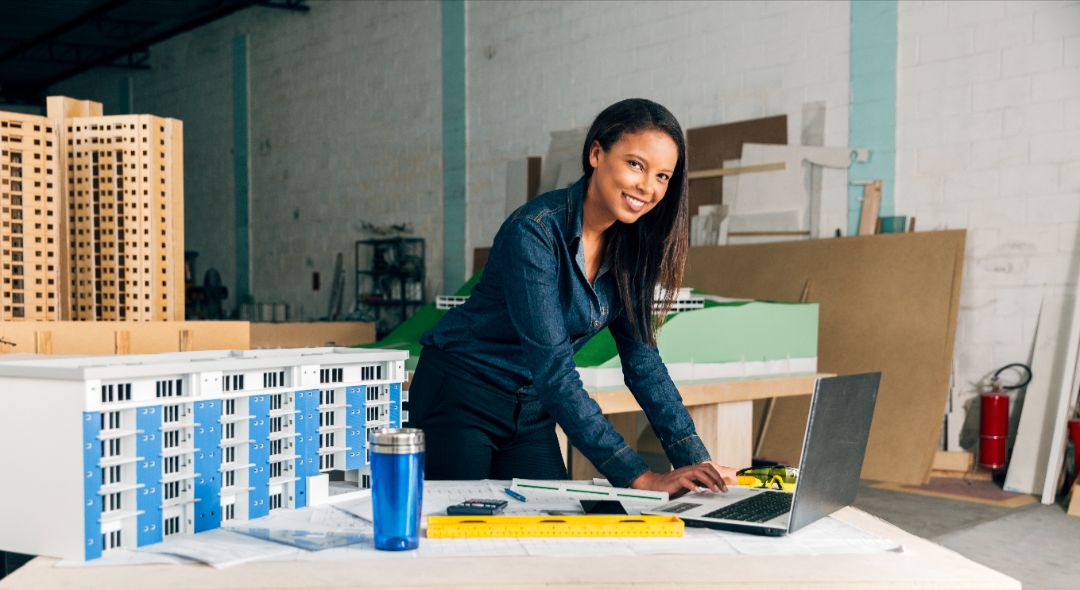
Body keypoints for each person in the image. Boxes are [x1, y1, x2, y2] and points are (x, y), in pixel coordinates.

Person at [411, 98, 736, 495]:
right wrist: (640, 477)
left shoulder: (633, 249)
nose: (648, 187)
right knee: (463, 520)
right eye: (636, 164)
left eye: (663, 176)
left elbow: (644, 365)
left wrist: (698, 465)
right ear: (596, 154)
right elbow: (555, 371)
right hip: (462, 393)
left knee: (551, 521)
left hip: (530, 406)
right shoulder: (534, 232)